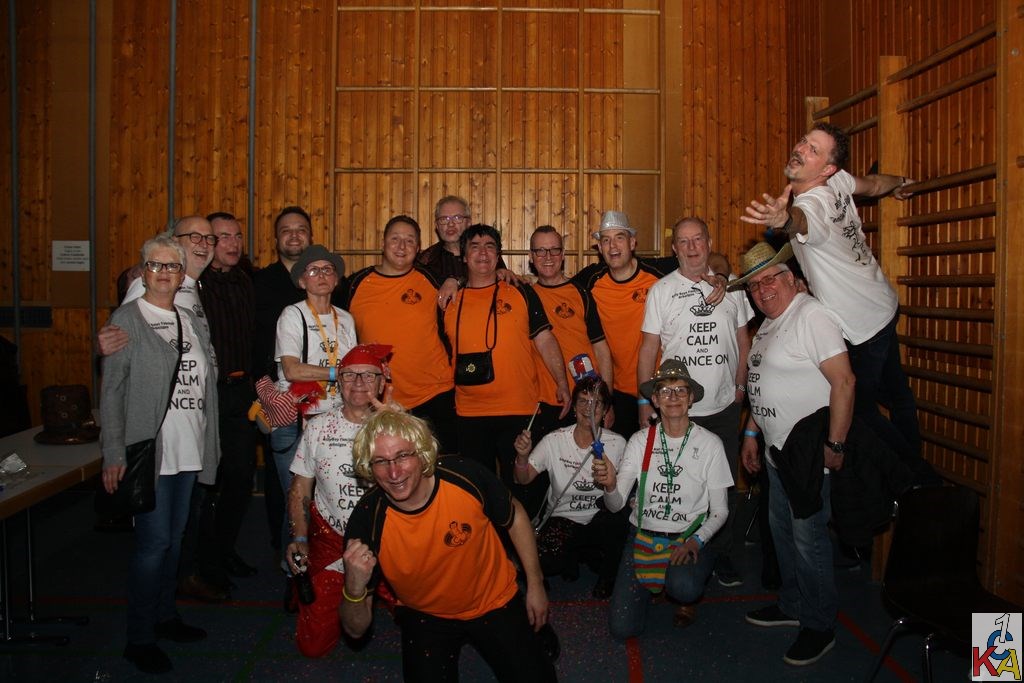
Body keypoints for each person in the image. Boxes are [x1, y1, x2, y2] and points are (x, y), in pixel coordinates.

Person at [740, 122, 921, 462]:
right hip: (883, 303)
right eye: (804, 141)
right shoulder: (839, 181)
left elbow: (801, 220)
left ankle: (913, 474)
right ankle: (917, 473)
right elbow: (875, 184)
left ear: (827, 169)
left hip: (862, 325)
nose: (801, 149)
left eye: (814, 150)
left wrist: (784, 220)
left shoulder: (813, 205)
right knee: (898, 396)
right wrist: (900, 183)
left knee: (858, 412)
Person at [340, 409, 557, 682]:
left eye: (403, 456)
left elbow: (515, 517)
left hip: (494, 599)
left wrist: (535, 583)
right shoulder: (366, 520)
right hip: (425, 615)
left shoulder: (464, 475)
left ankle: (530, 634)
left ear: (422, 454)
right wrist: (354, 588)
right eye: (381, 461)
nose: (394, 472)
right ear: (368, 467)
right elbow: (355, 630)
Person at [729, 241, 855, 667]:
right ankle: (792, 603)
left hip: (807, 458)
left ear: (790, 278)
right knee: (782, 534)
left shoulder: (810, 315)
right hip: (776, 455)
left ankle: (819, 625)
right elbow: (761, 383)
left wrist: (835, 444)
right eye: (754, 285)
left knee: (809, 541)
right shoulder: (769, 323)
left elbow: (844, 382)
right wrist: (752, 433)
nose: (762, 290)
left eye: (770, 279)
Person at [100, 235, 220, 674]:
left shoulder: (190, 319)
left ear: (182, 273)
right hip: (150, 452)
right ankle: (139, 637)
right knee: (153, 545)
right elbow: (112, 391)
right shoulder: (127, 320)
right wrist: (113, 453)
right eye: (156, 265)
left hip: (189, 448)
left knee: (174, 540)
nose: (164, 273)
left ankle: (166, 616)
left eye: (172, 266)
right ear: (143, 271)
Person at [637, 216, 754, 587]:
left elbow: (744, 341)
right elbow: (648, 348)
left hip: (723, 406)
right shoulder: (661, 291)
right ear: (674, 248)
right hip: (677, 410)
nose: (691, 247)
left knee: (723, 485)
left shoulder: (732, 288)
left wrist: (740, 388)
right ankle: (677, 551)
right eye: (684, 241)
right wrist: (644, 401)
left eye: (698, 239)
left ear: (709, 242)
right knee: (681, 485)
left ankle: (723, 554)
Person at [595, 359, 732, 638]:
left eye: (681, 390)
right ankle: (655, 583)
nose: (674, 397)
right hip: (643, 536)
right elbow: (616, 504)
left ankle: (682, 586)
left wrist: (697, 540)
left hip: (686, 536)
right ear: (655, 400)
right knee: (622, 629)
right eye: (665, 391)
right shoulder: (640, 440)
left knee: (684, 587)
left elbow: (720, 511)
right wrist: (610, 486)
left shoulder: (710, 444)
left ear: (691, 398)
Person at [441, 224, 570, 516]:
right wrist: (453, 280)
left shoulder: (520, 291)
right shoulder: (448, 299)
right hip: (469, 414)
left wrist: (562, 382)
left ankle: (525, 544)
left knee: (522, 493)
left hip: (519, 410)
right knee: (476, 496)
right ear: (463, 256)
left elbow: (545, 339)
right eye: (474, 247)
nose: (482, 253)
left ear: (498, 254)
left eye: (490, 246)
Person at [575, 211, 729, 439]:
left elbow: (713, 258)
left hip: (659, 389)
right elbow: (556, 286)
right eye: (606, 240)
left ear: (632, 243)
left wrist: (722, 276)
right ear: (599, 247)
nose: (613, 246)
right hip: (617, 393)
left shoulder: (658, 272)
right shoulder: (590, 280)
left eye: (619, 238)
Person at [285, 344, 388, 657]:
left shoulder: (396, 426)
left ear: (382, 383)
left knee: (427, 617)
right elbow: (301, 488)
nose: (358, 383)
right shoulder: (318, 427)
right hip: (333, 542)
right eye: (349, 375)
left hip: (390, 542)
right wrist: (300, 538)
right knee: (312, 646)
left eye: (368, 376)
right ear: (339, 381)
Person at [179, 212, 259, 602]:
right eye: (221, 236)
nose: (231, 243)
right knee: (207, 484)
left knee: (241, 479)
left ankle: (224, 551)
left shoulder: (246, 281)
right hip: (207, 395)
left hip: (242, 394)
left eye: (236, 236)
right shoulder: (192, 283)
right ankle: (203, 565)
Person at [272, 243, 357, 588]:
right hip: (296, 420)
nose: (321, 275)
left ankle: (326, 567)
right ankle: (291, 569)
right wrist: (340, 372)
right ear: (301, 281)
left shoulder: (346, 319)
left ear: (336, 279)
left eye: (327, 270)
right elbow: (292, 369)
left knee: (327, 499)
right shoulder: (292, 315)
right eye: (313, 270)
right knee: (297, 500)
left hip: (333, 421)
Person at [347, 215, 456, 452]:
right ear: (383, 243)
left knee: (442, 466)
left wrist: (456, 279)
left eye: (409, 240)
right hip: (380, 400)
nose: (402, 246)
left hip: (435, 394)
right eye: (395, 239)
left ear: (418, 248)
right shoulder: (355, 284)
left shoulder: (431, 279)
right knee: (388, 467)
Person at [512, 376, 627, 598]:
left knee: (619, 524)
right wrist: (522, 457)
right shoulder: (554, 440)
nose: (588, 408)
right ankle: (571, 558)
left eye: (596, 403)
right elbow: (522, 479)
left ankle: (606, 575)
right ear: (573, 407)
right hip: (563, 519)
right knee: (542, 560)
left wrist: (611, 484)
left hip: (598, 519)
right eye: (583, 401)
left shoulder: (618, 444)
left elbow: (619, 501)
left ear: (605, 410)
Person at [527, 225, 614, 434]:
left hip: (586, 401)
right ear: (531, 256)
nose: (548, 257)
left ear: (563, 254)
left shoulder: (580, 292)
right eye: (540, 251)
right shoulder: (524, 296)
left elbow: (601, 348)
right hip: (544, 403)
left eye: (554, 250)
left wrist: (607, 400)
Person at [97, 215, 216, 355]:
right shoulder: (153, 283)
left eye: (210, 238)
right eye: (195, 236)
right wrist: (100, 346)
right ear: (175, 242)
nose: (204, 244)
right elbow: (113, 340)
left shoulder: (192, 285)